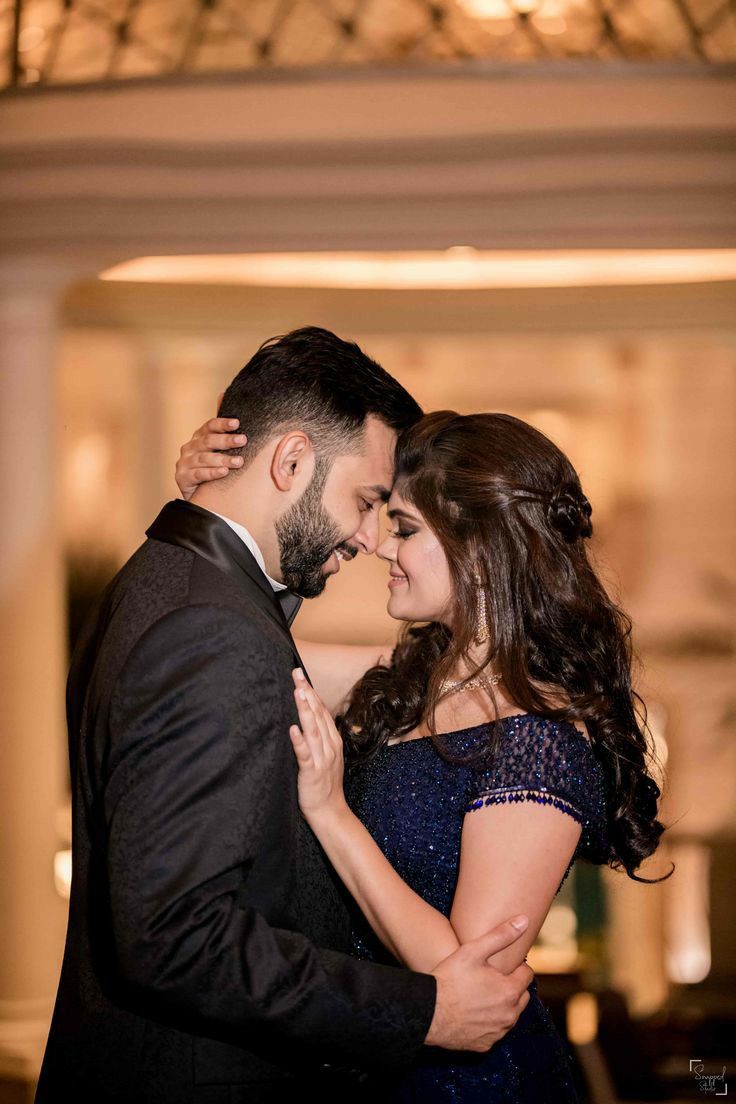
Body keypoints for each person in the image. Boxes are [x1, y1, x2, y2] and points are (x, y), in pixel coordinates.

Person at [36, 328, 535, 1104]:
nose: (372, 540)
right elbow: (174, 937)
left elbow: (269, 643)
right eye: (370, 502)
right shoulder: (212, 632)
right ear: (292, 460)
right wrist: (423, 1009)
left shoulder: (171, 583)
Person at [177, 403, 673, 1102]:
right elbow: (241, 645)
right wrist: (213, 509)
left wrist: (332, 815)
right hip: (364, 1057)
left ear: (479, 546)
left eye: (405, 527)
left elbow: (467, 989)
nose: (380, 544)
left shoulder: (540, 741)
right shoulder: (412, 679)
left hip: (461, 1085)